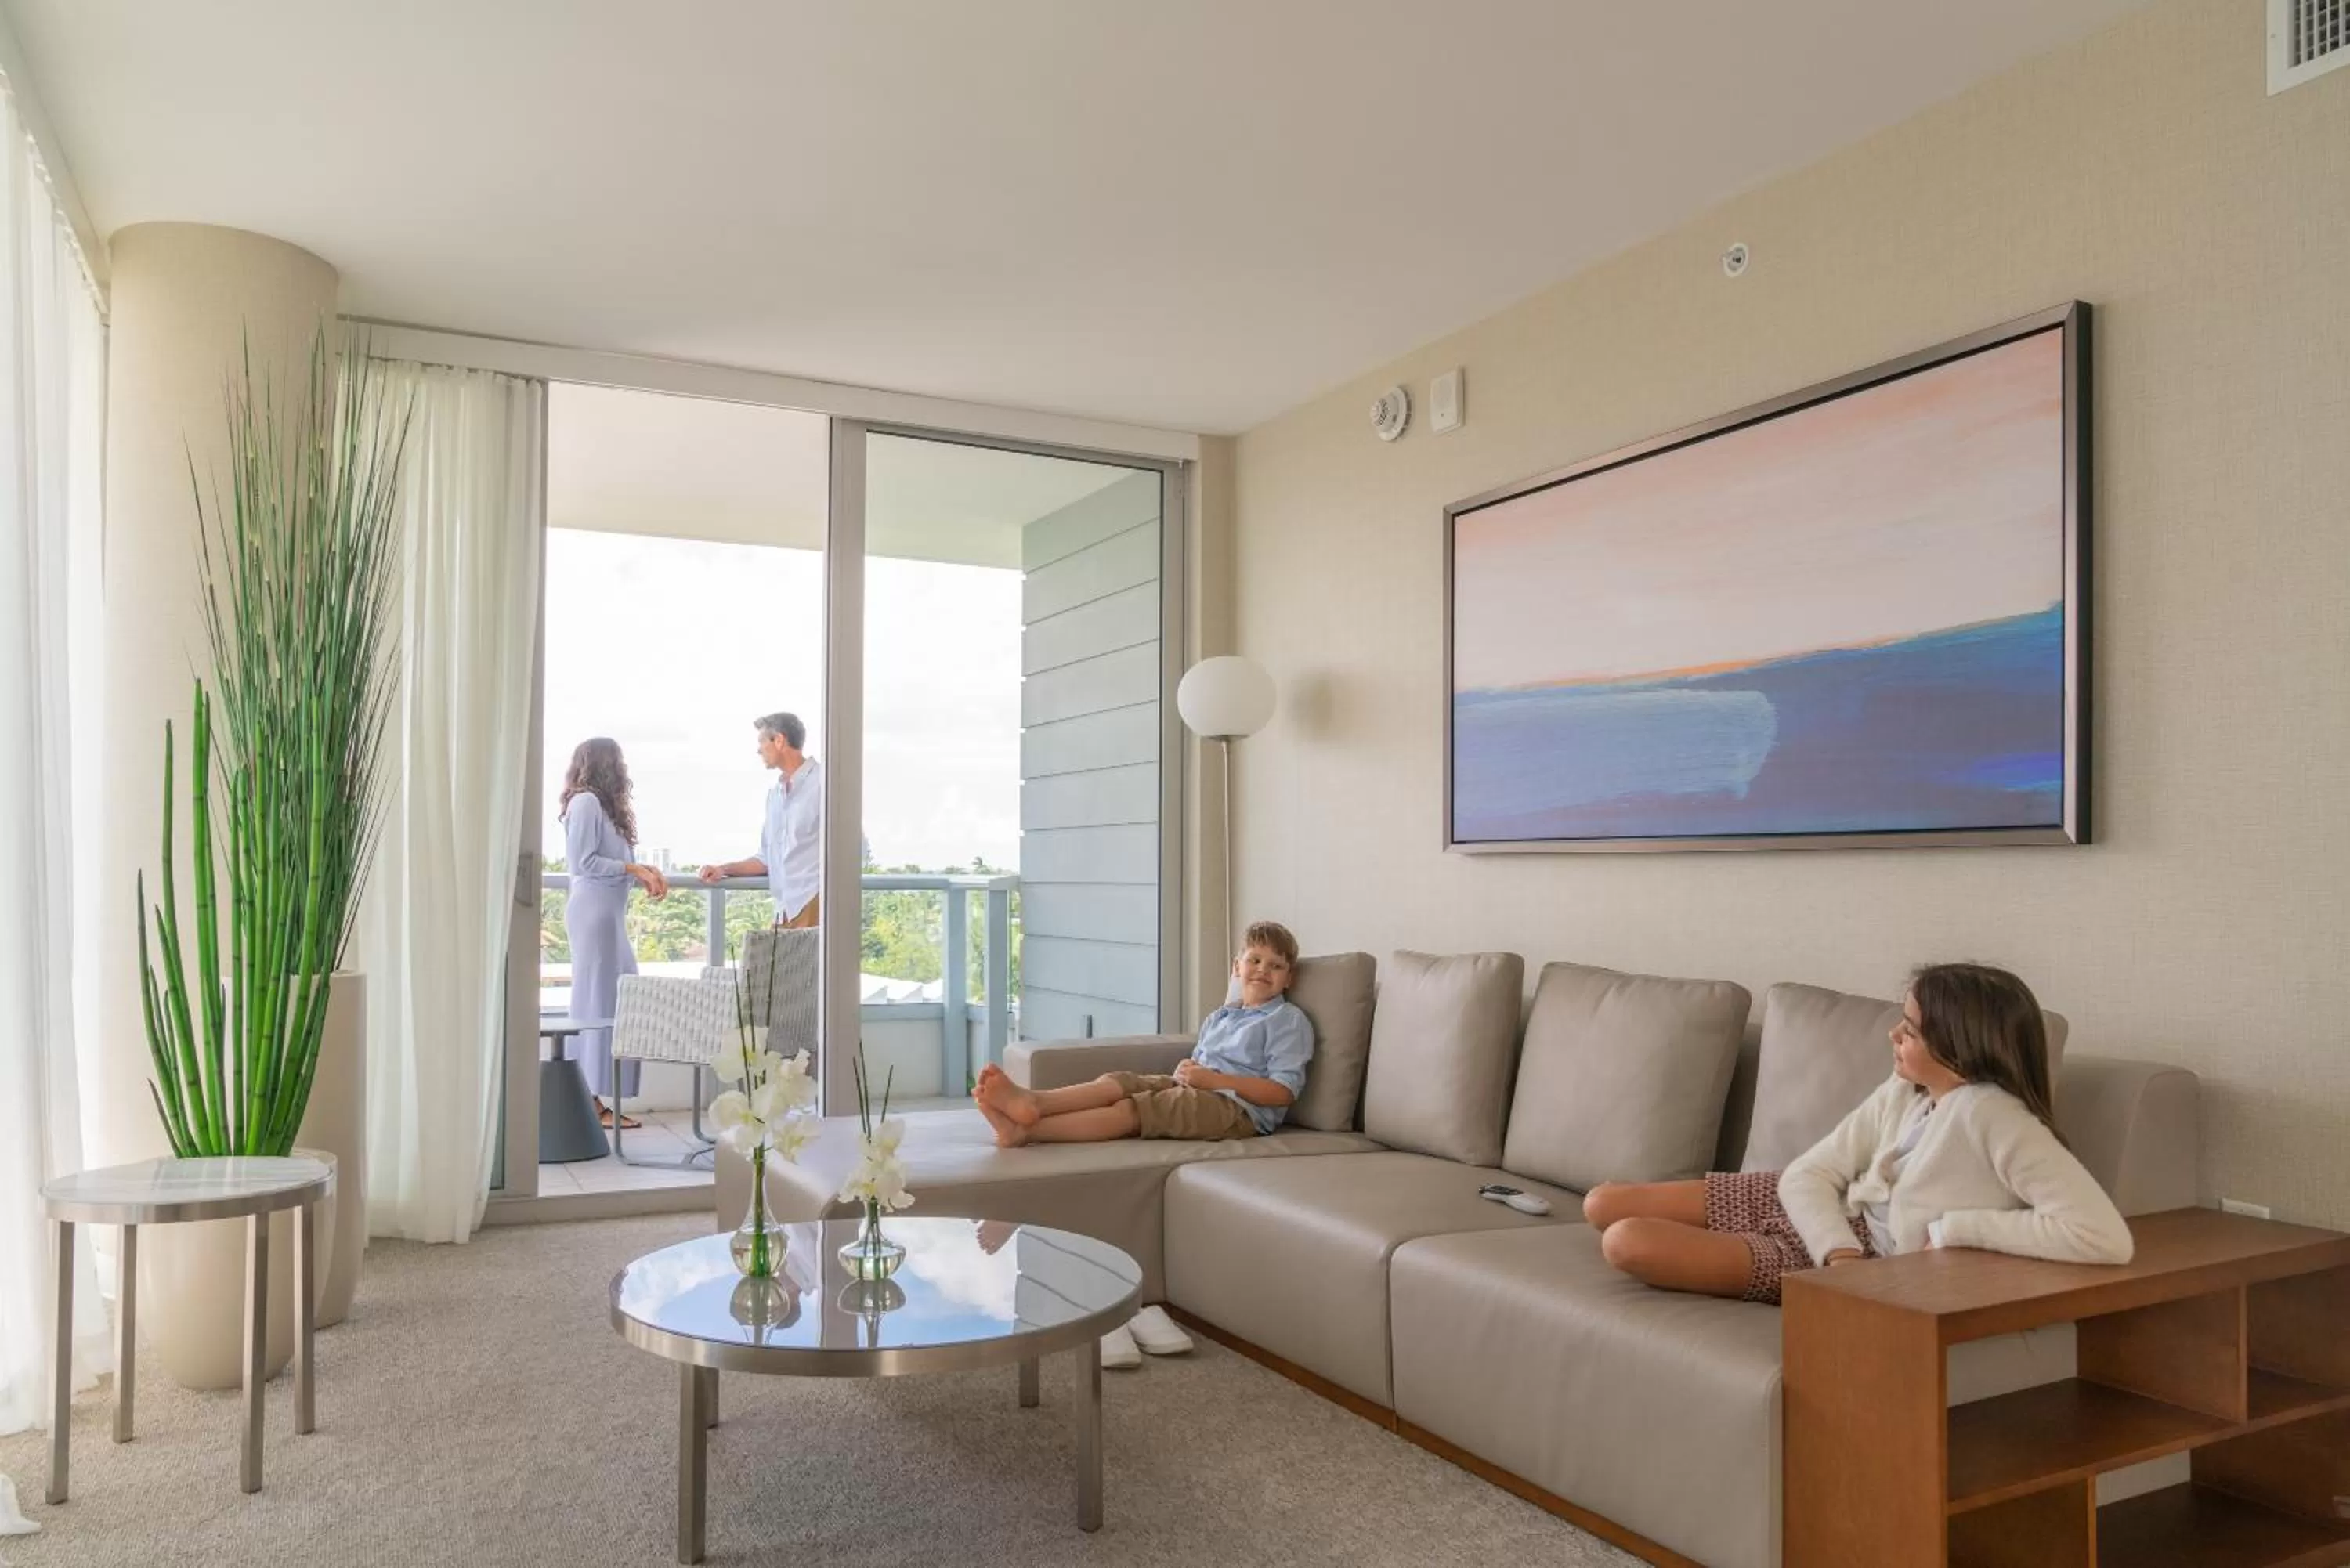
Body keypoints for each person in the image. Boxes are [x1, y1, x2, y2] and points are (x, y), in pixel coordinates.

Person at [1583, 963, 2133, 1306]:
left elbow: (2103, 1237)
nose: (1895, 1034)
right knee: (1602, 1203)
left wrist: (1954, 1230)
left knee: (1627, 1241)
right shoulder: (1907, 1090)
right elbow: (1809, 1174)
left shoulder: (1999, 1120)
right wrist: (1837, 1247)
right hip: (1832, 1224)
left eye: (1911, 1029)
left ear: (1960, 1046)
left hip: (1864, 1266)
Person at [974, 920, 1313, 1147]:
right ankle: (1034, 1101)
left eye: (1276, 965)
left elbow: (1283, 1092)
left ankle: (1027, 1131)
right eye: (1255, 960)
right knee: (1116, 1083)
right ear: (1236, 967)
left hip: (1238, 1111)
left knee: (1135, 1109)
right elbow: (1201, 1063)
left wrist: (1217, 1081)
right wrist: (1189, 1067)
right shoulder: (1222, 1016)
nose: (1263, 970)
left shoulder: (1287, 1019)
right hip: (1198, 1089)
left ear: (1289, 978)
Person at [558, 739, 668, 1129]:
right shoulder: (586, 803)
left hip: (609, 916)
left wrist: (646, 874)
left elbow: (619, 863)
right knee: (596, 1003)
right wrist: (634, 871)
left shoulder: (607, 809)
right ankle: (589, 1100)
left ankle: (593, 1097)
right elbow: (583, 863)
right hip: (593, 914)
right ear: (606, 764)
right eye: (618, 760)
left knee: (619, 1000)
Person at [700, 711, 822, 929]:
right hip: (784, 911)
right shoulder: (775, 796)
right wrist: (722, 869)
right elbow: (766, 859)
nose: (758, 750)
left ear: (779, 741)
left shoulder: (823, 784)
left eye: (762, 742)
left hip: (815, 905)